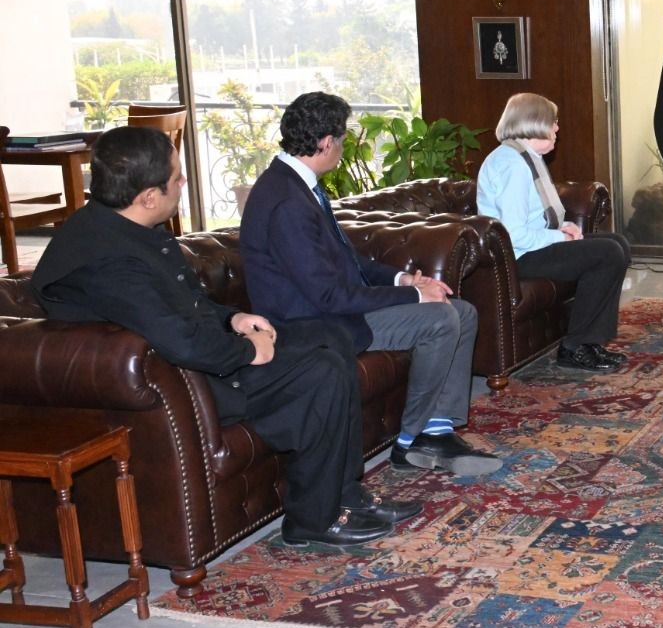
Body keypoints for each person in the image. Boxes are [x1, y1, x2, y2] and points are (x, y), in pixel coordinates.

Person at [31, 127, 419, 547]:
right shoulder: (107, 261)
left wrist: (233, 318)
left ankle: (342, 493)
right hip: (187, 381)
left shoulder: (127, 225)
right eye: (177, 178)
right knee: (323, 368)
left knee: (332, 337)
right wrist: (248, 349)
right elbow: (180, 341)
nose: (183, 184)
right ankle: (313, 519)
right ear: (147, 196)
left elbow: (183, 306)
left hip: (197, 358)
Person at [241, 92, 501, 476]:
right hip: (313, 324)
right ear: (326, 142)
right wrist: (415, 294)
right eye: (343, 139)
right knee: (441, 319)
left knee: (461, 311)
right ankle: (412, 442)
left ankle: (437, 429)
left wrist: (402, 277)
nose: (343, 147)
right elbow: (328, 295)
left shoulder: (297, 185)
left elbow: (345, 261)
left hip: (332, 308)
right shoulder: (287, 201)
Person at [476, 92, 630, 372]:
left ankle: (589, 342)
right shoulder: (512, 165)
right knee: (607, 253)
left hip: (531, 247)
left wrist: (562, 227)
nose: (557, 127)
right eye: (553, 121)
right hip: (516, 257)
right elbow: (514, 233)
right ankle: (574, 348)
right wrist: (559, 237)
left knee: (617, 242)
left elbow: (535, 217)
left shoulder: (525, 156)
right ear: (534, 122)